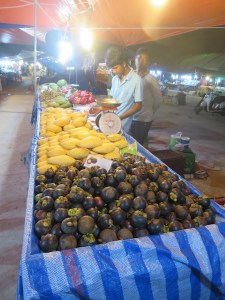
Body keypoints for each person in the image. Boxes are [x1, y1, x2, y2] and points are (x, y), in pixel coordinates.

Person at [105, 47, 143, 133]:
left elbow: (138, 105)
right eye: (112, 69)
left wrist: (120, 117)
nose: (113, 71)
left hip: (122, 126)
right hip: (109, 122)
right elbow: (111, 98)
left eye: (115, 68)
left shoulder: (136, 80)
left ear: (124, 63)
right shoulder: (115, 79)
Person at [130, 47, 163, 144]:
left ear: (147, 61)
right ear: (135, 59)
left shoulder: (151, 79)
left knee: (137, 146)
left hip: (144, 120)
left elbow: (158, 100)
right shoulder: (134, 77)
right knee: (133, 144)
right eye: (138, 58)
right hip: (132, 117)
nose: (140, 61)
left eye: (144, 59)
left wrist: (149, 111)